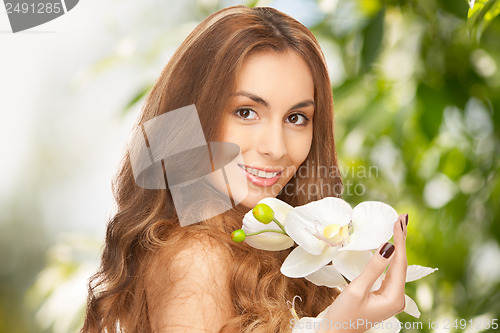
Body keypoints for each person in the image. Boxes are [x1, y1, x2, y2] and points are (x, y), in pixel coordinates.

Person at [81, 5, 408, 333]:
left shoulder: (278, 249)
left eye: (296, 118)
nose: (276, 147)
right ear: (192, 115)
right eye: (246, 112)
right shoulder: (197, 256)